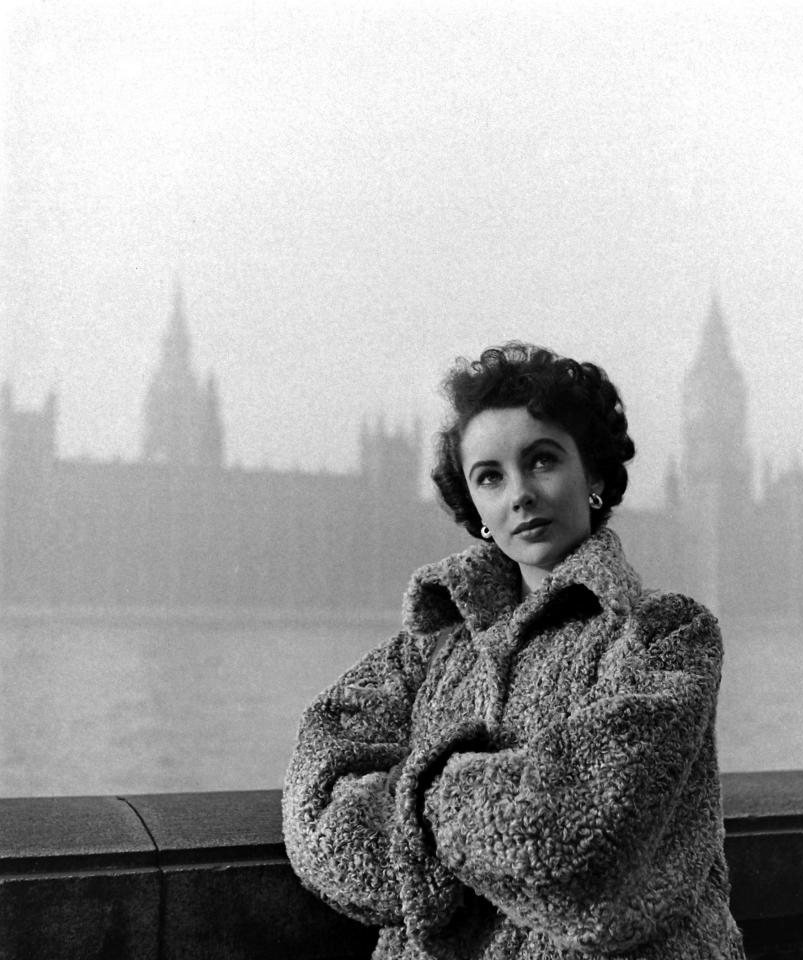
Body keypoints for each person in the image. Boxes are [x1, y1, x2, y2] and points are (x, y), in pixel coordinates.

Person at [283, 343, 745, 959]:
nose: (519, 494)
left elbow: (578, 841)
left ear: (597, 477)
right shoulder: (424, 652)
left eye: (543, 461)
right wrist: (491, 807)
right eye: (490, 476)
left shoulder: (666, 638)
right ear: (474, 507)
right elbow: (316, 811)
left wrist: (412, 797)